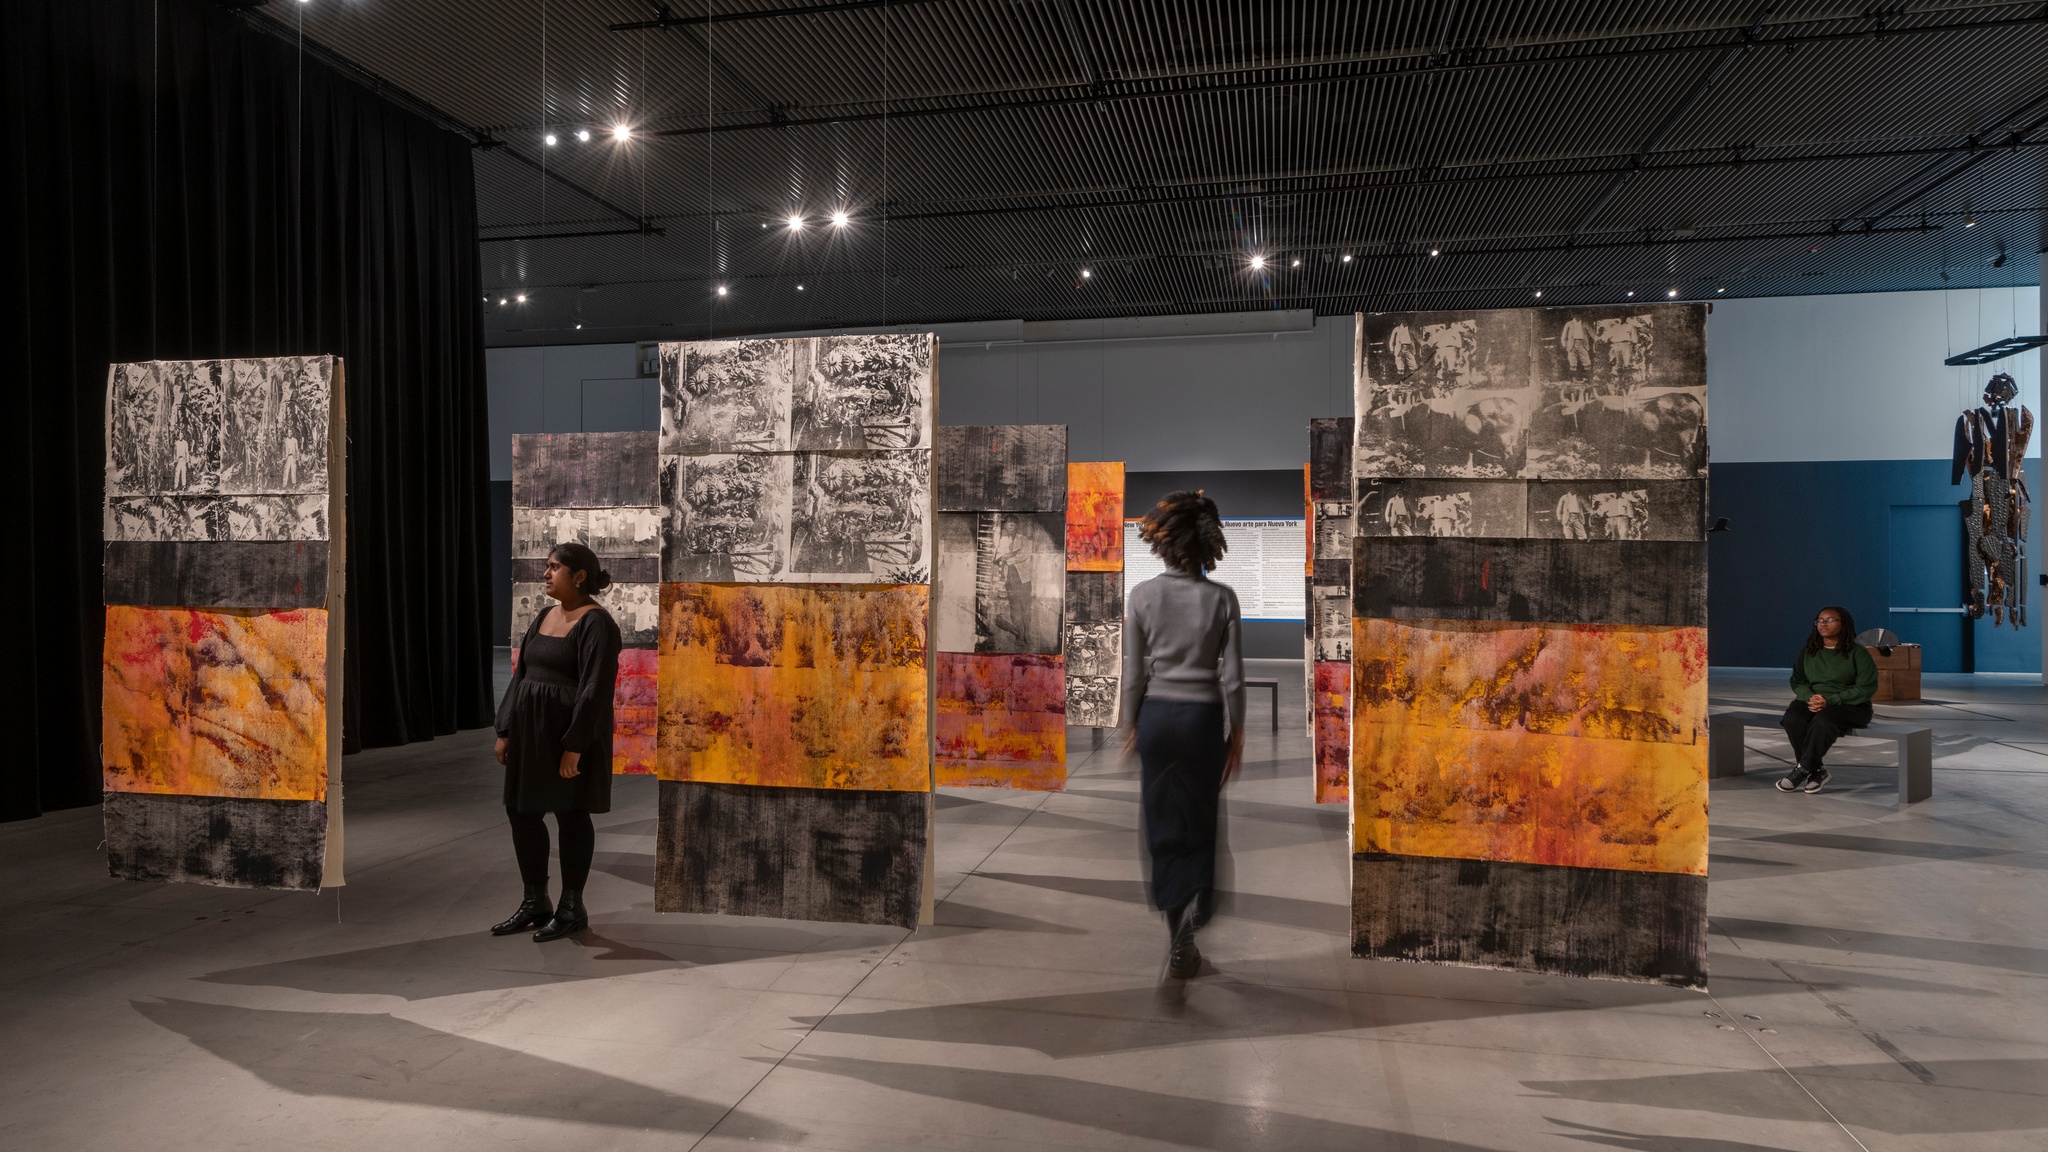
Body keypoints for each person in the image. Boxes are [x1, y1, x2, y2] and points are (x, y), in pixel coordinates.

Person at [1120, 490, 1245, 980]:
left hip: (1157, 720)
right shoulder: (1222, 599)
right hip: (1201, 722)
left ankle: (1179, 938)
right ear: (1208, 542)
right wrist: (1237, 733)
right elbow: (1233, 677)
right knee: (1200, 820)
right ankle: (1198, 908)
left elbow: (1134, 674)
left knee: (1162, 822)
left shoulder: (1142, 596)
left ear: (1162, 542)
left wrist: (1131, 725)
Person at [492, 542, 623, 941]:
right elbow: (523, 673)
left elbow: (596, 690)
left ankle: (571, 907)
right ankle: (536, 901)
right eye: (546, 567)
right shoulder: (546, 615)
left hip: (568, 735)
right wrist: (506, 728)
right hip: (532, 732)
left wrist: (575, 744)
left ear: (578, 575)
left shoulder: (597, 623)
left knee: (571, 813)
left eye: (553, 568)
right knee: (522, 811)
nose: (545, 574)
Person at [1778, 605, 1878, 794]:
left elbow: (1865, 688)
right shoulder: (1809, 651)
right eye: (1820, 620)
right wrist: (1809, 697)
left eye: (1830, 620)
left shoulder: (1858, 653)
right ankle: (1816, 771)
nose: (1823, 624)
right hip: (1814, 700)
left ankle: (1802, 769)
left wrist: (1830, 701)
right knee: (1793, 719)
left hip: (1851, 705)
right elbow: (1797, 680)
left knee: (1823, 720)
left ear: (1844, 624)